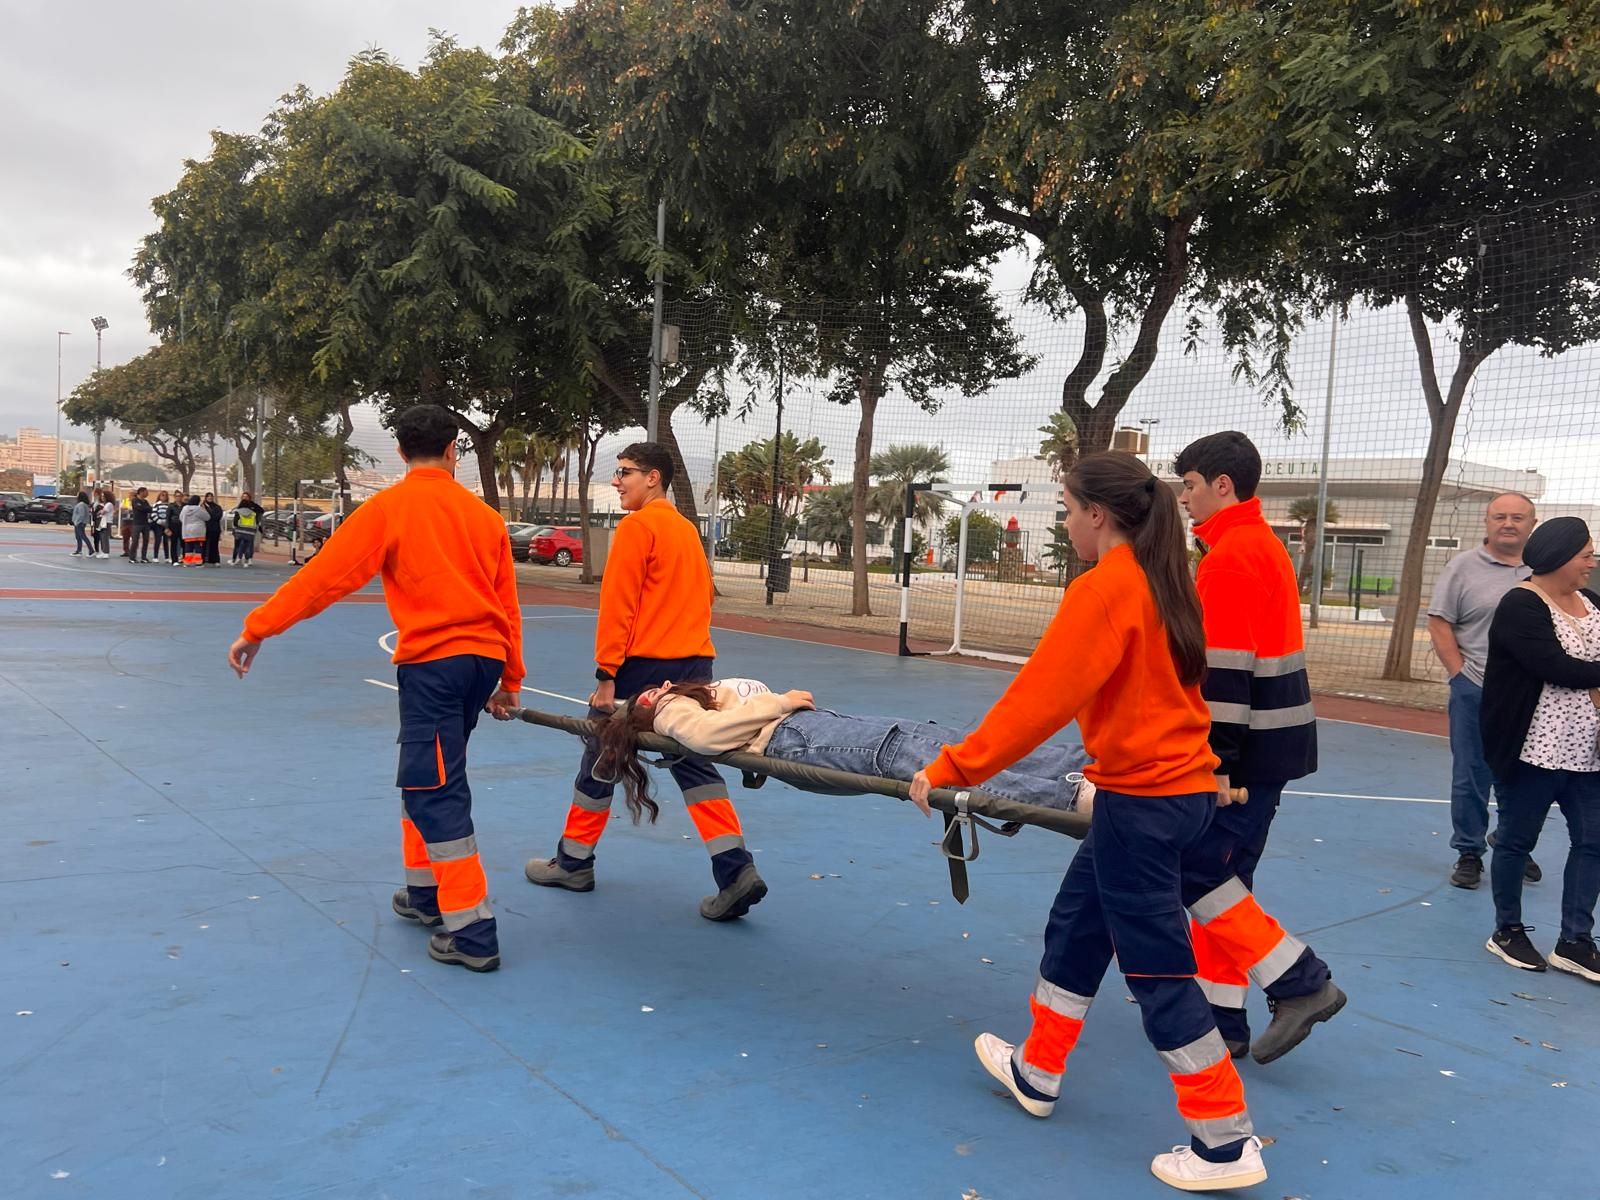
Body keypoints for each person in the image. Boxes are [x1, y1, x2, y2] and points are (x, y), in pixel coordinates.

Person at [910, 451, 1265, 1193]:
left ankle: (1225, 1143)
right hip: (1172, 792)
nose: (1065, 523)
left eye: (1067, 510)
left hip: (1144, 805)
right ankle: (1038, 1067)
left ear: (1098, 515)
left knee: (1161, 972)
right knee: (1077, 926)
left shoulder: (1106, 590)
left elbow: (1037, 701)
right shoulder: (1167, 582)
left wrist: (953, 769)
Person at [228, 403, 524, 973]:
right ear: (452, 451)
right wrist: (509, 678)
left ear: (400, 452)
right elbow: (508, 604)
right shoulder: (485, 518)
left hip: (434, 666)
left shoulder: (389, 508)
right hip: (481, 662)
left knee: (435, 786)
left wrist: (258, 628)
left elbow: (325, 577)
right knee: (426, 774)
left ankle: (472, 930)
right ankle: (425, 895)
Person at [524, 442, 766, 922]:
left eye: (625, 472)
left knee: (600, 757)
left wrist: (606, 676)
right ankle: (735, 869)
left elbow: (619, 607)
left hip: (643, 670)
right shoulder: (685, 532)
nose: (617, 481)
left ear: (653, 478)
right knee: (695, 763)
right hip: (695, 664)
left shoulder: (637, 528)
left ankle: (573, 862)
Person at [1174, 432, 1344, 1064]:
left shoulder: (1232, 556)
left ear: (1222, 485)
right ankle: (1224, 1021)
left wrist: (1215, 765)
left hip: (1244, 752)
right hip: (1271, 744)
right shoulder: (1256, 545)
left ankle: (1302, 982)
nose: (1186, 500)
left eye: (1190, 485)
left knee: (1200, 872)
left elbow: (1224, 673)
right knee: (1228, 880)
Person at [590, 678, 1095, 816]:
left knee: (941, 741)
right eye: (647, 696)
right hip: (796, 738)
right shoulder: (673, 712)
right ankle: (1071, 796)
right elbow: (701, 738)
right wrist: (779, 701)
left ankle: (1081, 766)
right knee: (912, 751)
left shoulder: (697, 694)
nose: (657, 686)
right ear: (647, 712)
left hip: (812, 729)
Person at [1480, 517, 1600, 982]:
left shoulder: (1590, 602)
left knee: (1593, 842)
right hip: (1533, 750)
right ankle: (1507, 930)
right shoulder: (1521, 605)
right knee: (1515, 841)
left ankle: (1575, 940)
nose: (1592, 562)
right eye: (1585, 554)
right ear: (1559, 557)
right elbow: (1556, 666)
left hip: (1587, 753)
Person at [1429, 492, 1542, 890]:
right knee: (1472, 775)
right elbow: (1440, 622)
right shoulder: (1462, 568)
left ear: (1532, 523)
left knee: (1528, 775)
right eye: (1500, 516)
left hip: (1533, 696)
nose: (1508, 523)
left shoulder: (1545, 570)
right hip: (1476, 688)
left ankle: (1513, 843)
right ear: (1486, 522)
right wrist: (1460, 675)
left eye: (1517, 517)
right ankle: (1469, 852)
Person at [230, 491, 265, 566]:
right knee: (243, 544)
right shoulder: (244, 507)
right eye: (243, 496)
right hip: (249, 530)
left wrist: (257, 519)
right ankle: (242, 559)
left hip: (241, 529)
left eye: (246, 496)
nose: (245, 498)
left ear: (249, 498)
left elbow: (261, 511)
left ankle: (244, 558)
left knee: (244, 545)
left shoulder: (252, 507)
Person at [179, 495, 207, 566]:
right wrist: (204, 509)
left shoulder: (185, 508)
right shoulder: (199, 509)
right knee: (198, 546)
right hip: (198, 530)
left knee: (188, 546)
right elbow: (207, 517)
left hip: (187, 530)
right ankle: (198, 563)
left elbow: (181, 518)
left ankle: (187, 562)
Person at [130, 487, 153, 563]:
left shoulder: (146, 501)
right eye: (146, 492)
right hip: (137, 523)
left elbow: (150, 509)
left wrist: (147, 508)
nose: (147, 494)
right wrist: (146, 508)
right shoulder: (135, 500)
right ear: (141, 492)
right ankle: (132, 557)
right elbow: (141, 508)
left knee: (146, 540)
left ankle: (144, 557)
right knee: (135, 541)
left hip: (145, 523)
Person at [202, 492, 224, 566]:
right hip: (204, 528)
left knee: (214, 545)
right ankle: (203, 559)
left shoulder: (217, 507)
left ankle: (215, 560)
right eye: (208, 496)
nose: (209, 498)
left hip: (215, 528)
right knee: (203, 545)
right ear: (205, 497)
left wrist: (210, 516)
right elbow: (202, 516)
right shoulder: (202, 506)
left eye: (211, 496)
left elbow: (218, 516)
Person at [70, 491, 94, 557]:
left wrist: (77, 522)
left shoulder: (81, 504)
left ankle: (91, 550)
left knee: (83, 536)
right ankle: (79, 550)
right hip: (81, 522)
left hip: (79, 523)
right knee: (78, 537)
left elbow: (81, 514)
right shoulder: (85, 504)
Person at [150, 492, 171, 562]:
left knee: (166, 541)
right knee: (158, 541)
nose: (164, 497)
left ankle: (167, 557)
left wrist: (167, 523)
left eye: (165, 495)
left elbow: (169, 515)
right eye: (162, 495)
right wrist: (160, 522)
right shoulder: (156, 505)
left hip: (166, 525)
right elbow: (153, 515)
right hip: (158, 525)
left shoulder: (169, 505)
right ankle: (155, 557)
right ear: (159, 496)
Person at [95, 490, 116, 558]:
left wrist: (100, 511)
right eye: (102, 496)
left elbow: (103, 512)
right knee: (102, 537)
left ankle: (106, 552)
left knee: (104, 537)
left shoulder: (109, 504)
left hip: (107, 522)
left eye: (104, 496)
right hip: (104, 522)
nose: (102, 497)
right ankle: (103, 551)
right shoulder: (106, 504)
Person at [165, 494, 185, 565]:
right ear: (174, 497)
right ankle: (174, 560)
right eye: (176, 496)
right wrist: (167, 527)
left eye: (179, 496)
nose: (178, 497)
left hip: (183, 526)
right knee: (174, 543)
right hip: (173, 525)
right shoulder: (171, 506)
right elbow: (167, 517)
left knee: (184, 543)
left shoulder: (185, 506)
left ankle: (184, 558)